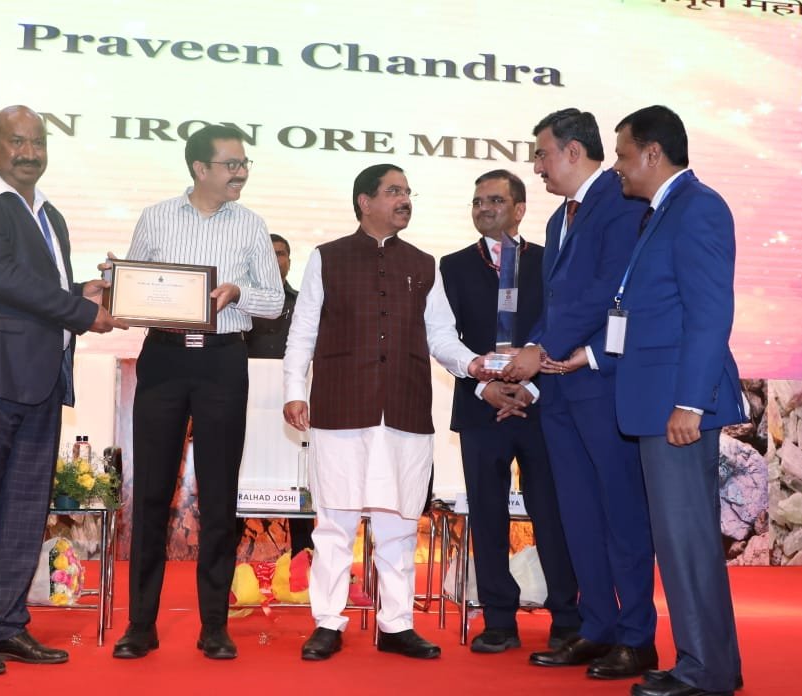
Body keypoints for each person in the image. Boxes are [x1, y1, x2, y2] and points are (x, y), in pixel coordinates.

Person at [0, 105, 126, 676]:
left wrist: (85, 291)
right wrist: (80, 311)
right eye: (16, 141)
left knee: (23, 510)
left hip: (41, 382)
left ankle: (5, 625)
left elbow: (41, 287)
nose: (29, 153)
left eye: (37, 143)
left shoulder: (51, 216)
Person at [283, 164, 487, 661]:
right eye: (393, 191)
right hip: (340, 406)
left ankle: (396, 624)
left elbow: (441, 334)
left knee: (398, 524)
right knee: (335, 523)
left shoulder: (423, 264)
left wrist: (472, 364)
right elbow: (303, 329)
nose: (404, 200)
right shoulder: (327, 257)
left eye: (407, 192)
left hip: (404, 408)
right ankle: (328, 621)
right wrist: (294, 389)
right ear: (364, 201)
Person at [112, 124, 284, 661]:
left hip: (222, 360)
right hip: (163, 358)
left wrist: (238, 292)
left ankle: (214, 625)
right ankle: (140, 625)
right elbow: (133, 292)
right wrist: (119, 281)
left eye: (245, 163)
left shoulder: (251, 225)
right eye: (232, 164)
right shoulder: (156, 217)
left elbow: (275, 301)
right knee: (151, 494)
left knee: (219, 494)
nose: (241, 172)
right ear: (200, 168)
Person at [500, 109, 657, 680]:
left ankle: (637, 638)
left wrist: (544, 350)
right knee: (578, 517)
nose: (537, 167)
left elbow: (607, 292)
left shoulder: (622, 202)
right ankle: (597, 627)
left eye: (541, 155)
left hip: (603, 383)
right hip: (562, 392)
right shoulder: (556, 219)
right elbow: (558, 305)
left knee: (621, 515)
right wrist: (533, 357)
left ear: (571, 152)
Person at [609, 105, 745, 696]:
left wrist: (691, 403)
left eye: (622, 154)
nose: (617, 167)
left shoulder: (698, 207)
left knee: (687, 542)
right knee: (680, 541)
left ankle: (704, 670)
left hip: (677, 408)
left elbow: (711, 313)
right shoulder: (662, 212)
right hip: (656, 403)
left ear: (653, 153)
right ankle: (705, 662)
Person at [439, 169, 580, 654]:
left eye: (495, 200)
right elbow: (442, 337)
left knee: (553, 514)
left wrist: (531, 387)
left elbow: (564, 326)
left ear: (520, 209)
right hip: (480, 407)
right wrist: (485, 387)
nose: (484, 208)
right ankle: (499, 619)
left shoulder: (550, 261)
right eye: (477, 201)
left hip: (543, 407)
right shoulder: (452, 266)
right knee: (487, 516)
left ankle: (567, 618)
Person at [242, 233, 313, 557]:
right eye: (268, 254)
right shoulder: (239, 304)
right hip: (246, 406)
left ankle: (303, 560)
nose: (275, 260)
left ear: (289, 261)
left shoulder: (304, 304)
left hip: (292, 405)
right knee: (239, 479)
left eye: (281, 254)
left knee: (299, 479)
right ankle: (226, 567)